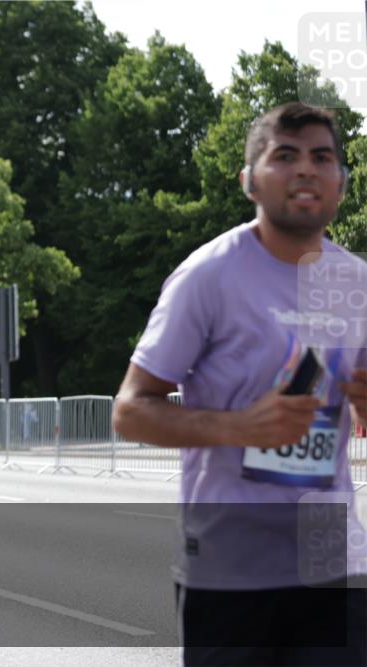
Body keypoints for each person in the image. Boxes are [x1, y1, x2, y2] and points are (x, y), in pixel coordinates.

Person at [113, 102, 367, 666]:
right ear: (249, 180)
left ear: (341, 183)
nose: (305, 169)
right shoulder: (207, 276)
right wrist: (239, 426)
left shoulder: (357, 282)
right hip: (228, 571)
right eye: (284, 155)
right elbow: (130, 410)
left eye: (322, 157)